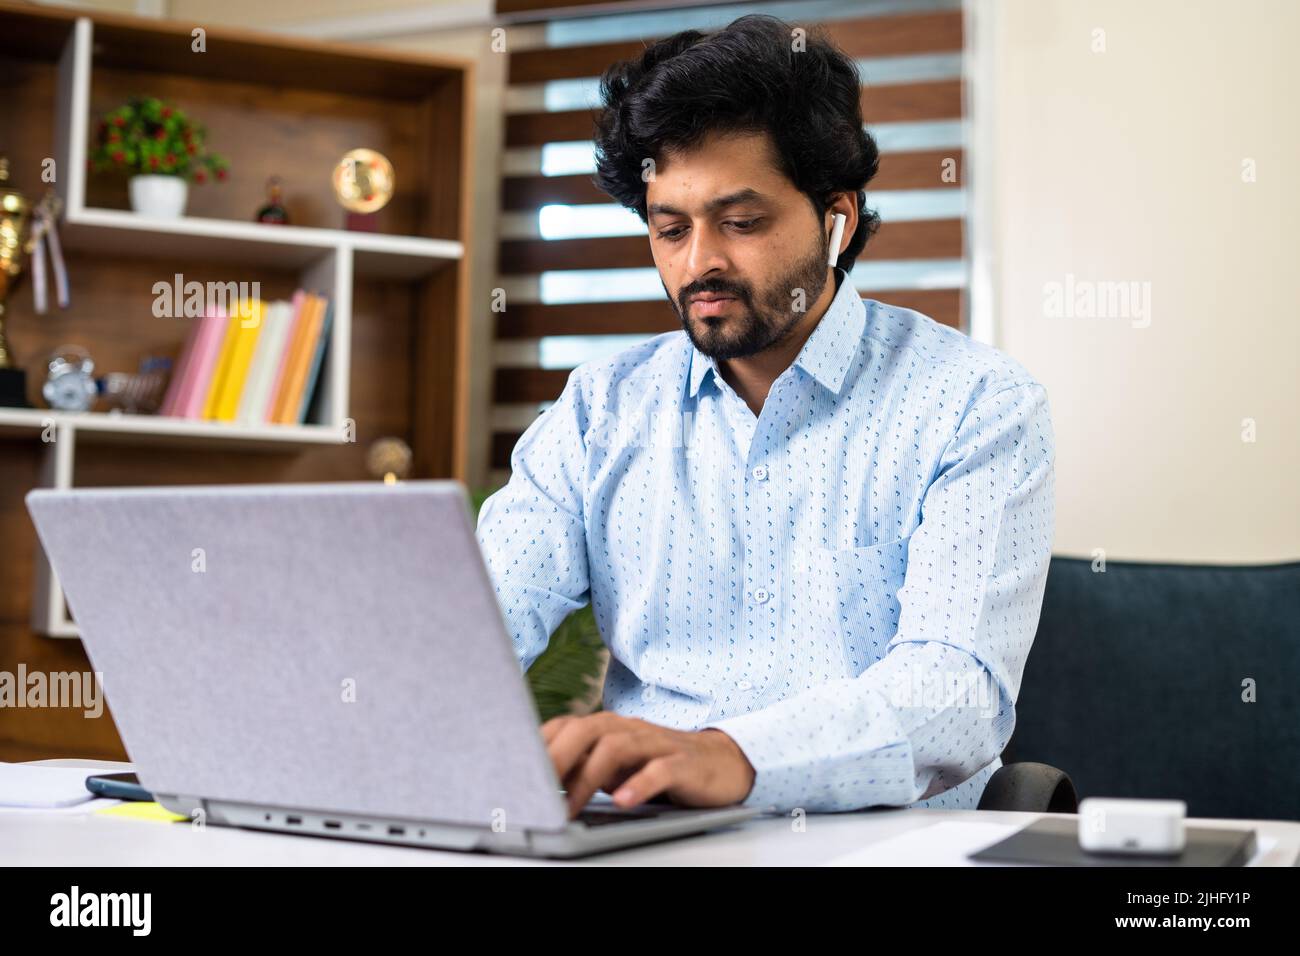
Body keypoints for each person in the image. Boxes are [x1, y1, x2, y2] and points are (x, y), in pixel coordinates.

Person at [476, 14, 1055, 819]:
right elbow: (475, 625)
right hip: (649, 839)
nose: (698, 262)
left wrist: (731, 758)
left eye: (740, 223)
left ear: (836, 216)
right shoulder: (599, 411)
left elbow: (956, 694)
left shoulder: (973, 403)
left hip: (879, 846)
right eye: (669, 228)